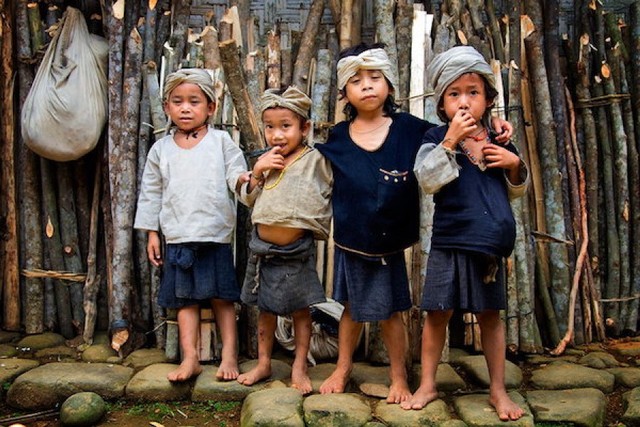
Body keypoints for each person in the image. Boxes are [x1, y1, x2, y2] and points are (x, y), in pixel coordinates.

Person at [315, 42, 514, 404]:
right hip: (351, 236)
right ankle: (343, 367)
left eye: (375, 77)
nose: (367, 85)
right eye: (356, 80)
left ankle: (399, 378)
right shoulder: (336, 138)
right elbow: (309, 161)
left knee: (393, 312)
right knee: (350, 306)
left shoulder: (412, 130)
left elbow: (443, 142)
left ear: (389, 84)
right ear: (344, 92)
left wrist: (494, 123)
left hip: (393, 239)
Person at [401, 45, 529, 421]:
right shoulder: (434, 138)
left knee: (491, 315)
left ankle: (498, 390)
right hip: (449, 240)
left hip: (489, 243)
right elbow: (427, 180)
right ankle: (427, 384)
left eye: (473, 92)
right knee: (437, 313)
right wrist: (451, 141)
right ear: (441, 104)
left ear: (488, 99)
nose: (463, 102)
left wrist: (515, 163)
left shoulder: (501, 140)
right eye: (453, 94)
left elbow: (516, 189)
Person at [134, 68, 247, 382]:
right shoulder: (161, 149)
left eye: (194, 101)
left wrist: (245, 180)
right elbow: (151, 192)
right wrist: (152, 233)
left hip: (215, 235)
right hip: (178, 236)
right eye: (177, 101)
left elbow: (236, 175)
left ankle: (229, 355)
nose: (185, 108)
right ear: (167, 107)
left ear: (210, 108)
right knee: (184, 301)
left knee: (223, 298)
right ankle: (190, 358)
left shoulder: (221, 142)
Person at [236, 86, 332, 395]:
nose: (277, 135)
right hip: (262, 250)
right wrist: (256, 172)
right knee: (265, 309)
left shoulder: (316, 160)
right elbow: (249, 200)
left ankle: (300, 365)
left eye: (286, 126)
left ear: (305, 128)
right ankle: (264, 363)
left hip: (296, 250)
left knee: (301, 310)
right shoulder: (265, 161)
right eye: (270, 127)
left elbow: (331, 189)